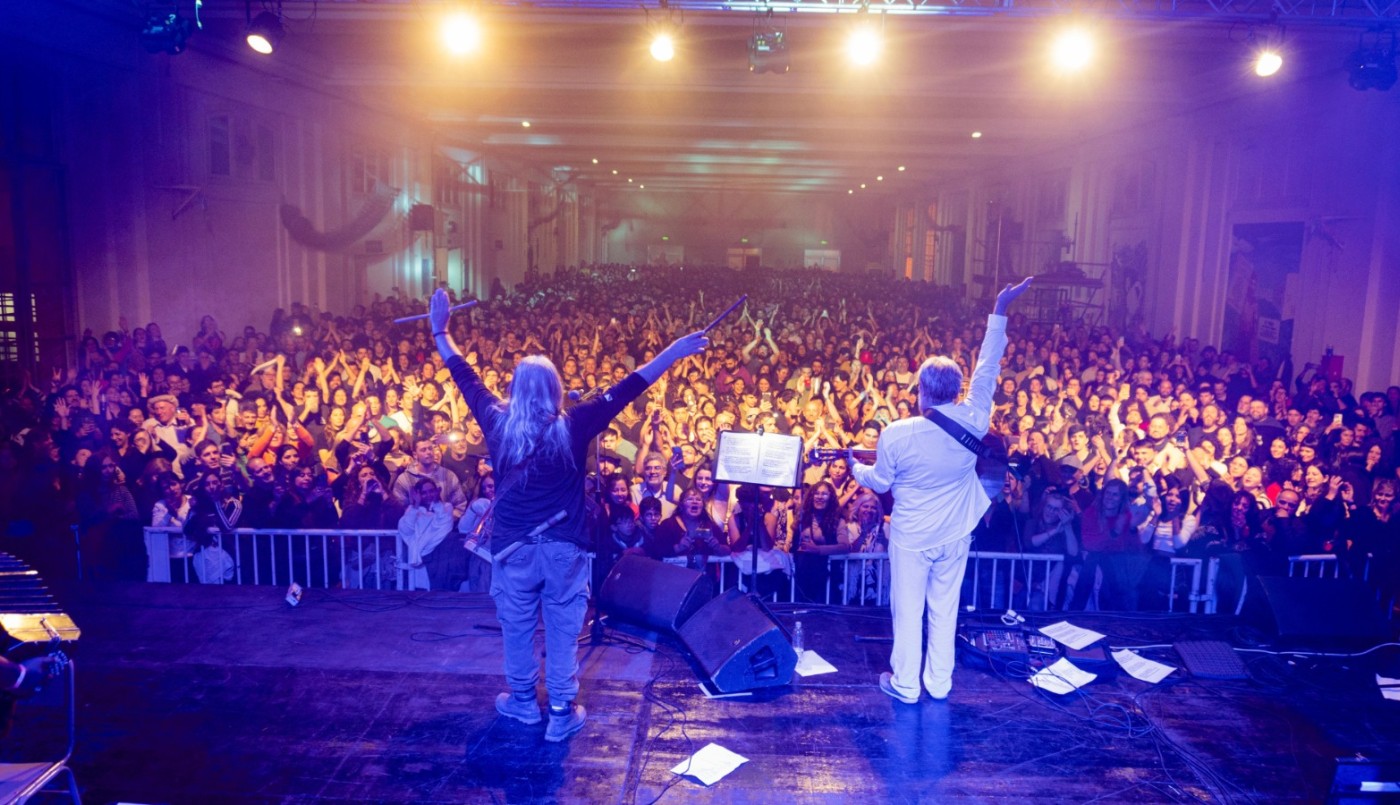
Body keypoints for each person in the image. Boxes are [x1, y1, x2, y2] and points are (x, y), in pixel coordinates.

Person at [429, 287, 709, 743]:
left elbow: (461, 371)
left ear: (515, 390)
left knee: (517, 630)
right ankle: (560, 712)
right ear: (557, 389)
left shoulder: (496, 420)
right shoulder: (575, 423)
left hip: (514, 549)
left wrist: (440, 329)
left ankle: (522, 705)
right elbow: (633, 384)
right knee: (561, 631)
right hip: (564, 548)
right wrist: (674, 351)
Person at [847, 277, 1031, 704]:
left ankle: (907, 686)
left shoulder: (897, 433)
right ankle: (940, 684)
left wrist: (856, 468)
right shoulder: (974, 417)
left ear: (922, 390)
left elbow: (881, 483)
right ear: (956, 389)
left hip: (912, 537)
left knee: (908, 612)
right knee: (945, 610)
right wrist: (999, 309)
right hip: (955, 535)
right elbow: (989, 368)